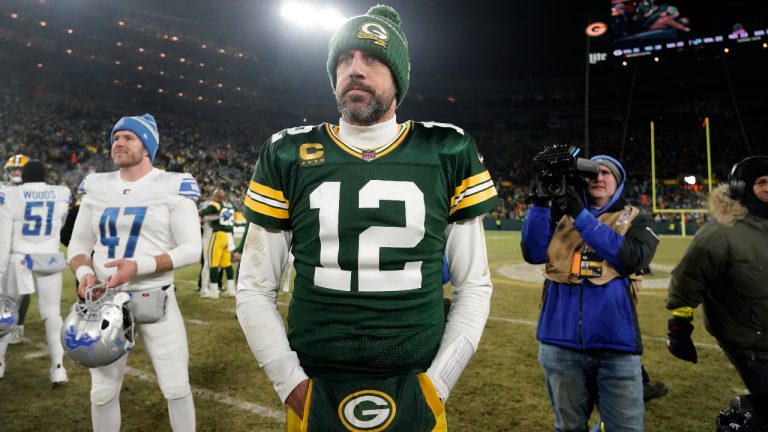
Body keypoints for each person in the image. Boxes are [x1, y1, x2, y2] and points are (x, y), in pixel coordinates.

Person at [236, 5, 498, 431]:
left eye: (372, 58)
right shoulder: (287, 152)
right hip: (316, 382)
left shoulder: (446, 149)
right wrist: (290, 385)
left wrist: (439, 385)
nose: (354, 68)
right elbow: (254, 285)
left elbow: (474, 285)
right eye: (344, 59)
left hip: (416, 379)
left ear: (399, 77)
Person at [66, 114, 201, 431]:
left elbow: (192, 248)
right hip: (105, 300)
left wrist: (138, 266)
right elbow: (78, 244)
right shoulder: (96, 185)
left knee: (176, 387)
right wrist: (84, 272)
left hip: (155, 297)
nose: (119, 143)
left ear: (147, 146)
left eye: (128, 137)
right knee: (101, 393)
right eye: (116, 137)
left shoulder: (172, 184)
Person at [521, 154, 659, 432]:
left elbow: (632, 257)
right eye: (593, 172)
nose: (599, 177)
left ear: (618, 183)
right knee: (569, 428)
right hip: (559, 344)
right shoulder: (559, 215)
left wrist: (581, 216)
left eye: (607, 173)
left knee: (626, 428)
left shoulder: (636, 218)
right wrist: (538, 204)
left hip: (616, 346)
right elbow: (533, 252)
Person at [666, 155, 768, 393]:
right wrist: (679, 326)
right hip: (752, 344)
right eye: (761, 181)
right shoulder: (719, 234)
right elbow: (688, 279)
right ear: (741, 187)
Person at [0, 160, 72, 383]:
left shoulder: (11, 194)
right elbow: (60, 225)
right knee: (52, 313)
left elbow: (3, 238)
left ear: (24, 176)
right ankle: (59, 369)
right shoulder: (60, 193)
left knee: (6, 311)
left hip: (19, 258)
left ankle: (0, 364)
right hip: (49, 258)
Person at [2, 154, 31, 345]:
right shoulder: (3, 190)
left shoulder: (33, 192)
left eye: (19, 169)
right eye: (13, 169)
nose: (16, 172)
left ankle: (18, 324)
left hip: (25, 245)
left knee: (23, 287)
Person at [199, 187, 236, 298]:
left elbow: (203, 212)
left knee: (212, 263)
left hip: (218, 235)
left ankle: (213, 291)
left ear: (215, 197)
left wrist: (203, 213)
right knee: (227, 264)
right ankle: (231, 289)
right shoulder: (230, 206)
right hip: (228, 236)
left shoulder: (215, 205)